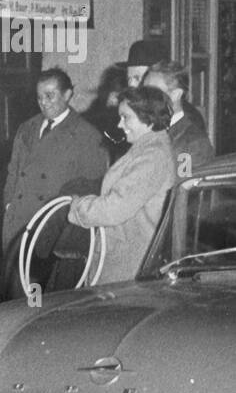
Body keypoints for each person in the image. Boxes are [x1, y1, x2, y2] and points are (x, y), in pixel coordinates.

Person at [0, 68, 107, 300]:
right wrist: (8, 205)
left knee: (38, 298)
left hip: (49, 230)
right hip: (17, 223)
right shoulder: (27, 128)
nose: (43, 103)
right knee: (13, 297)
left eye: (50, 95)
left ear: (68, 95)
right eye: (39, 97)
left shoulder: (85, 134)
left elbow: (92, 186)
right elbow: (13, 172)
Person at [67, 85, 176, 285]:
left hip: (129, 268)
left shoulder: (153, 156)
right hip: (124, 262)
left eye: (126, 117)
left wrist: (77, 207)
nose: (119, 124)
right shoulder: (148, 149)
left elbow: (114, 208)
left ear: (149, 119)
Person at [144, 61, 214, 181]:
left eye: (152, 93)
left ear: (176, 95)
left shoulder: (193, 142)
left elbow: (183, 192)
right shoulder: (143, 131)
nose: (143, 99)